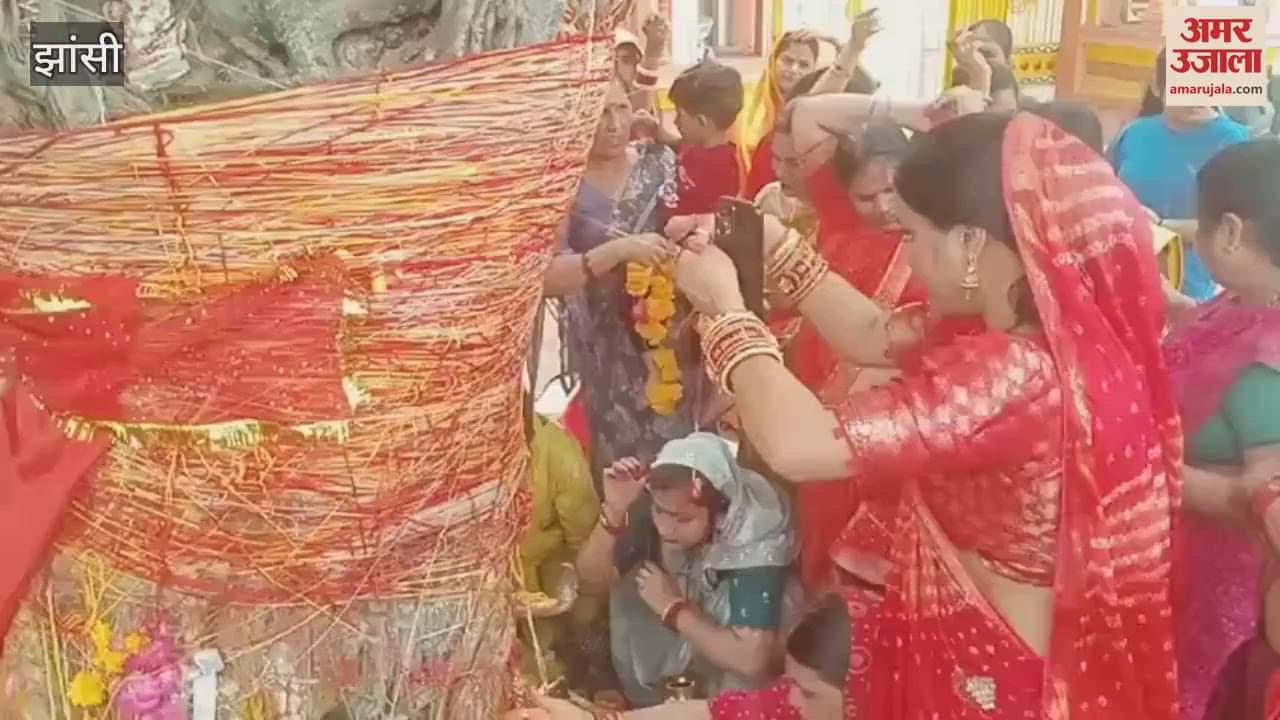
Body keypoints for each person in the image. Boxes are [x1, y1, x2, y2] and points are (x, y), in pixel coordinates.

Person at [669, 111, 1181, 717]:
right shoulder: (1035, 332)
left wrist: (724, 311)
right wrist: (775, 244)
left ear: (970, 242)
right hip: (988, 654)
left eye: (912, 236)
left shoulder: (1019, 372)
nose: (907, 259)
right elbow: (869, 332)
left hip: (992, 686)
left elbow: (799, 445)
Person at [1160, 140, 1280, 720]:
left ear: (1229, 234)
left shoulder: (1268, 363)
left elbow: (1257, 499)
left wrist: (1136, 464)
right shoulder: (1248, 301)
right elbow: (1210, 328)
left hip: (1219, 590)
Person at [542, 78, 695, 482]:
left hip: (672, 335)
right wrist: (617, 252)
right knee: (620, 460)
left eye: (620, 109)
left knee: (682, 455)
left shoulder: (659, 161)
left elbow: (706, 208)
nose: (612, 123)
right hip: (604, 347)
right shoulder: (559, 186)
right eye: (599, 113)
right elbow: (545, 276)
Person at [574, 433, 797, 708]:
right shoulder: (652, 506)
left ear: (718, 512)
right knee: (632, 585)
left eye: (683, 518)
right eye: (660, 512)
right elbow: (588, 582)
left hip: (736, 681)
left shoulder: (751, 526)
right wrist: (615, 511)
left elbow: (752, 661)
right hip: (672, 666)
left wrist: (673, 609)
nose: (665, 528)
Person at [515, 592, 868, 720]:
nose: (790, 697)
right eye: (793, 683)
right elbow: (709, 713)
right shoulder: (792, 708)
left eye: (808, 692)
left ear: (868, 694)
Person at [1110, 49, 1250, 301]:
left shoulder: (1232, 142)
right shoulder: (1134, 133)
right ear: (1158, 86)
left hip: (1190, 290)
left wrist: (1162, 226)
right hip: (1121, 276)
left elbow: (1234, 229)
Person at [740, 13, 882, 198]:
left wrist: (844, 46)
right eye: (788, 60)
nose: (793, 70)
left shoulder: (815, 110)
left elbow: (867, 88)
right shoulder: (748, 101)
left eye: (803, 64)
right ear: (773, 60)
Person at [667, 61, 746, 214]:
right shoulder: (695, 146)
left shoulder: (721, 168)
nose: (675, 121)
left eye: (680, 115)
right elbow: (678, 145)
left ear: (701, 121)